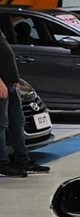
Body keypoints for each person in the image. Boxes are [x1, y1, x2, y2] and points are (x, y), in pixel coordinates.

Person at [0, 30, 50, 177]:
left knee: (17, 122)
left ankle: (23, 160)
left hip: (11, 84)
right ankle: (2, 164)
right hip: (2, 85)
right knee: (1, 124)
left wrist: (14, 79)